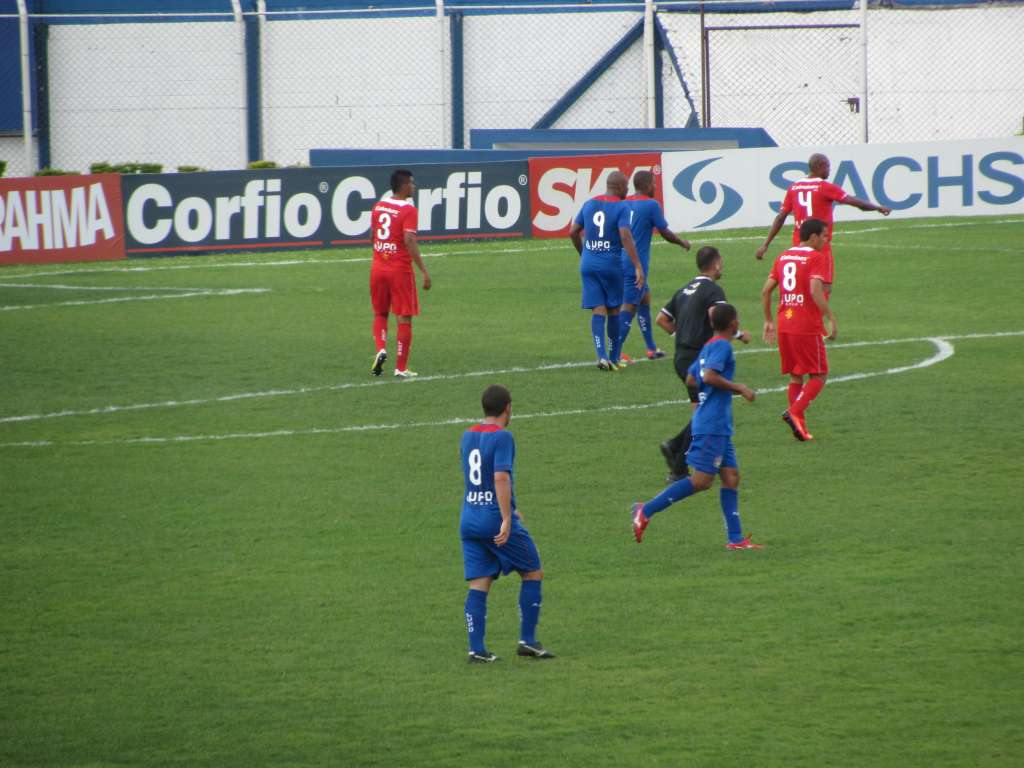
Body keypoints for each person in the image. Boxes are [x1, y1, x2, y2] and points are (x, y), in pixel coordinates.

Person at [631, 304, 762, 550]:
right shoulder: (722, 346)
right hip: (712, 425)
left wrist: (706, 393)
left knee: (731, 477)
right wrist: (739, 388)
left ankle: (735, 540)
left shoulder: (708, 346)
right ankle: (645, 510)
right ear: (733, 324)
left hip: (718, 425)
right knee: (701, 481)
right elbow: (710, 376)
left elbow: (693, 378)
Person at [460, 385, 555, 663]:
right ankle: (528, 640)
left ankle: (476, 649)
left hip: (469, 518)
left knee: (479, 582)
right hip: (494, 519)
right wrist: (505, 517)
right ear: (507, 408)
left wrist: (512, 508)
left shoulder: (467, 435)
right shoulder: (503, 437)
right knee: (532, 571)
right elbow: (500, 477)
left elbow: (476, 479)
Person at [656, 246, 751, 482]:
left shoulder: (685, 289)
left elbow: (662, 319)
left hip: (681, 357)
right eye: (721, 261)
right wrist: (738, 334)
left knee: (701, 409)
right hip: (697, 359)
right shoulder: (712, 289)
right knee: (703, 412)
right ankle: (677, 465)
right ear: (716, 263)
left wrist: (683, 332)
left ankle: (676, 447)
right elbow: (715, 314)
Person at [755, 152, 892, 291]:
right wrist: (877, 207)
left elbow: (780, 217)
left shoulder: (794, 187)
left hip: (799, 244)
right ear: (820, 167)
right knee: (824, 286)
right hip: (820, 244)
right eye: (828, 166)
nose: (829, 170)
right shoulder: (825, 187)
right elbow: (855, 203)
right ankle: (818, 311)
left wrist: (765, 244)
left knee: (801, 284)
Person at [760, 218, 837, 442]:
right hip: (805, 325)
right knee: (819, 375)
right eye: (824, 235)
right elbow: (815, 291)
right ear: (812, 237)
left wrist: (768, 321)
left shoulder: (783, 256)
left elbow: (765, 292)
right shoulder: (816, 257)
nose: (826, 239)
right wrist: (830, 317)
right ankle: (794, 412)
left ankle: (800, 427)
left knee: (796, 376)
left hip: (785, 322)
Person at [569, 171, 644, 370]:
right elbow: (625, 235)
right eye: (626, 186)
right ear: (618, 187)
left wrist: (584, 252)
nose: (628, 190)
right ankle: (613, 358)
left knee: (597, 308)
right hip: (611, 264)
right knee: (613, 310)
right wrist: (637, 265)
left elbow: (572, 231)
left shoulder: (589, 203)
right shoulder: (622, 207)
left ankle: (602, 356)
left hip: (588, 264)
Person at [616, 170, 691, 364]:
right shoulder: (651, 205)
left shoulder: (624, 203)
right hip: (636, 264)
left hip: (621, 260)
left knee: (644, 299)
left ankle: (651, 348)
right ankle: (614, 353)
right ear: (647, 185)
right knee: (630, 305)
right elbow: (664, 232)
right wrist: (681, 242)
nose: (656, 187)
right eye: (654, 183)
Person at [369, 169, 432, 378]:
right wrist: (423, 270)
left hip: (378, 268)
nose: (413, 187)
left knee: (380, 313)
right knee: (404, 317)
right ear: (403, 186)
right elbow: (409, 240)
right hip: (399, 271)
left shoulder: (379, 206)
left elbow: (373, 236)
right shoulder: (408, 210)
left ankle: (380, 348)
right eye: (411, 183)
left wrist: (382, 254)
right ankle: (401, 367)